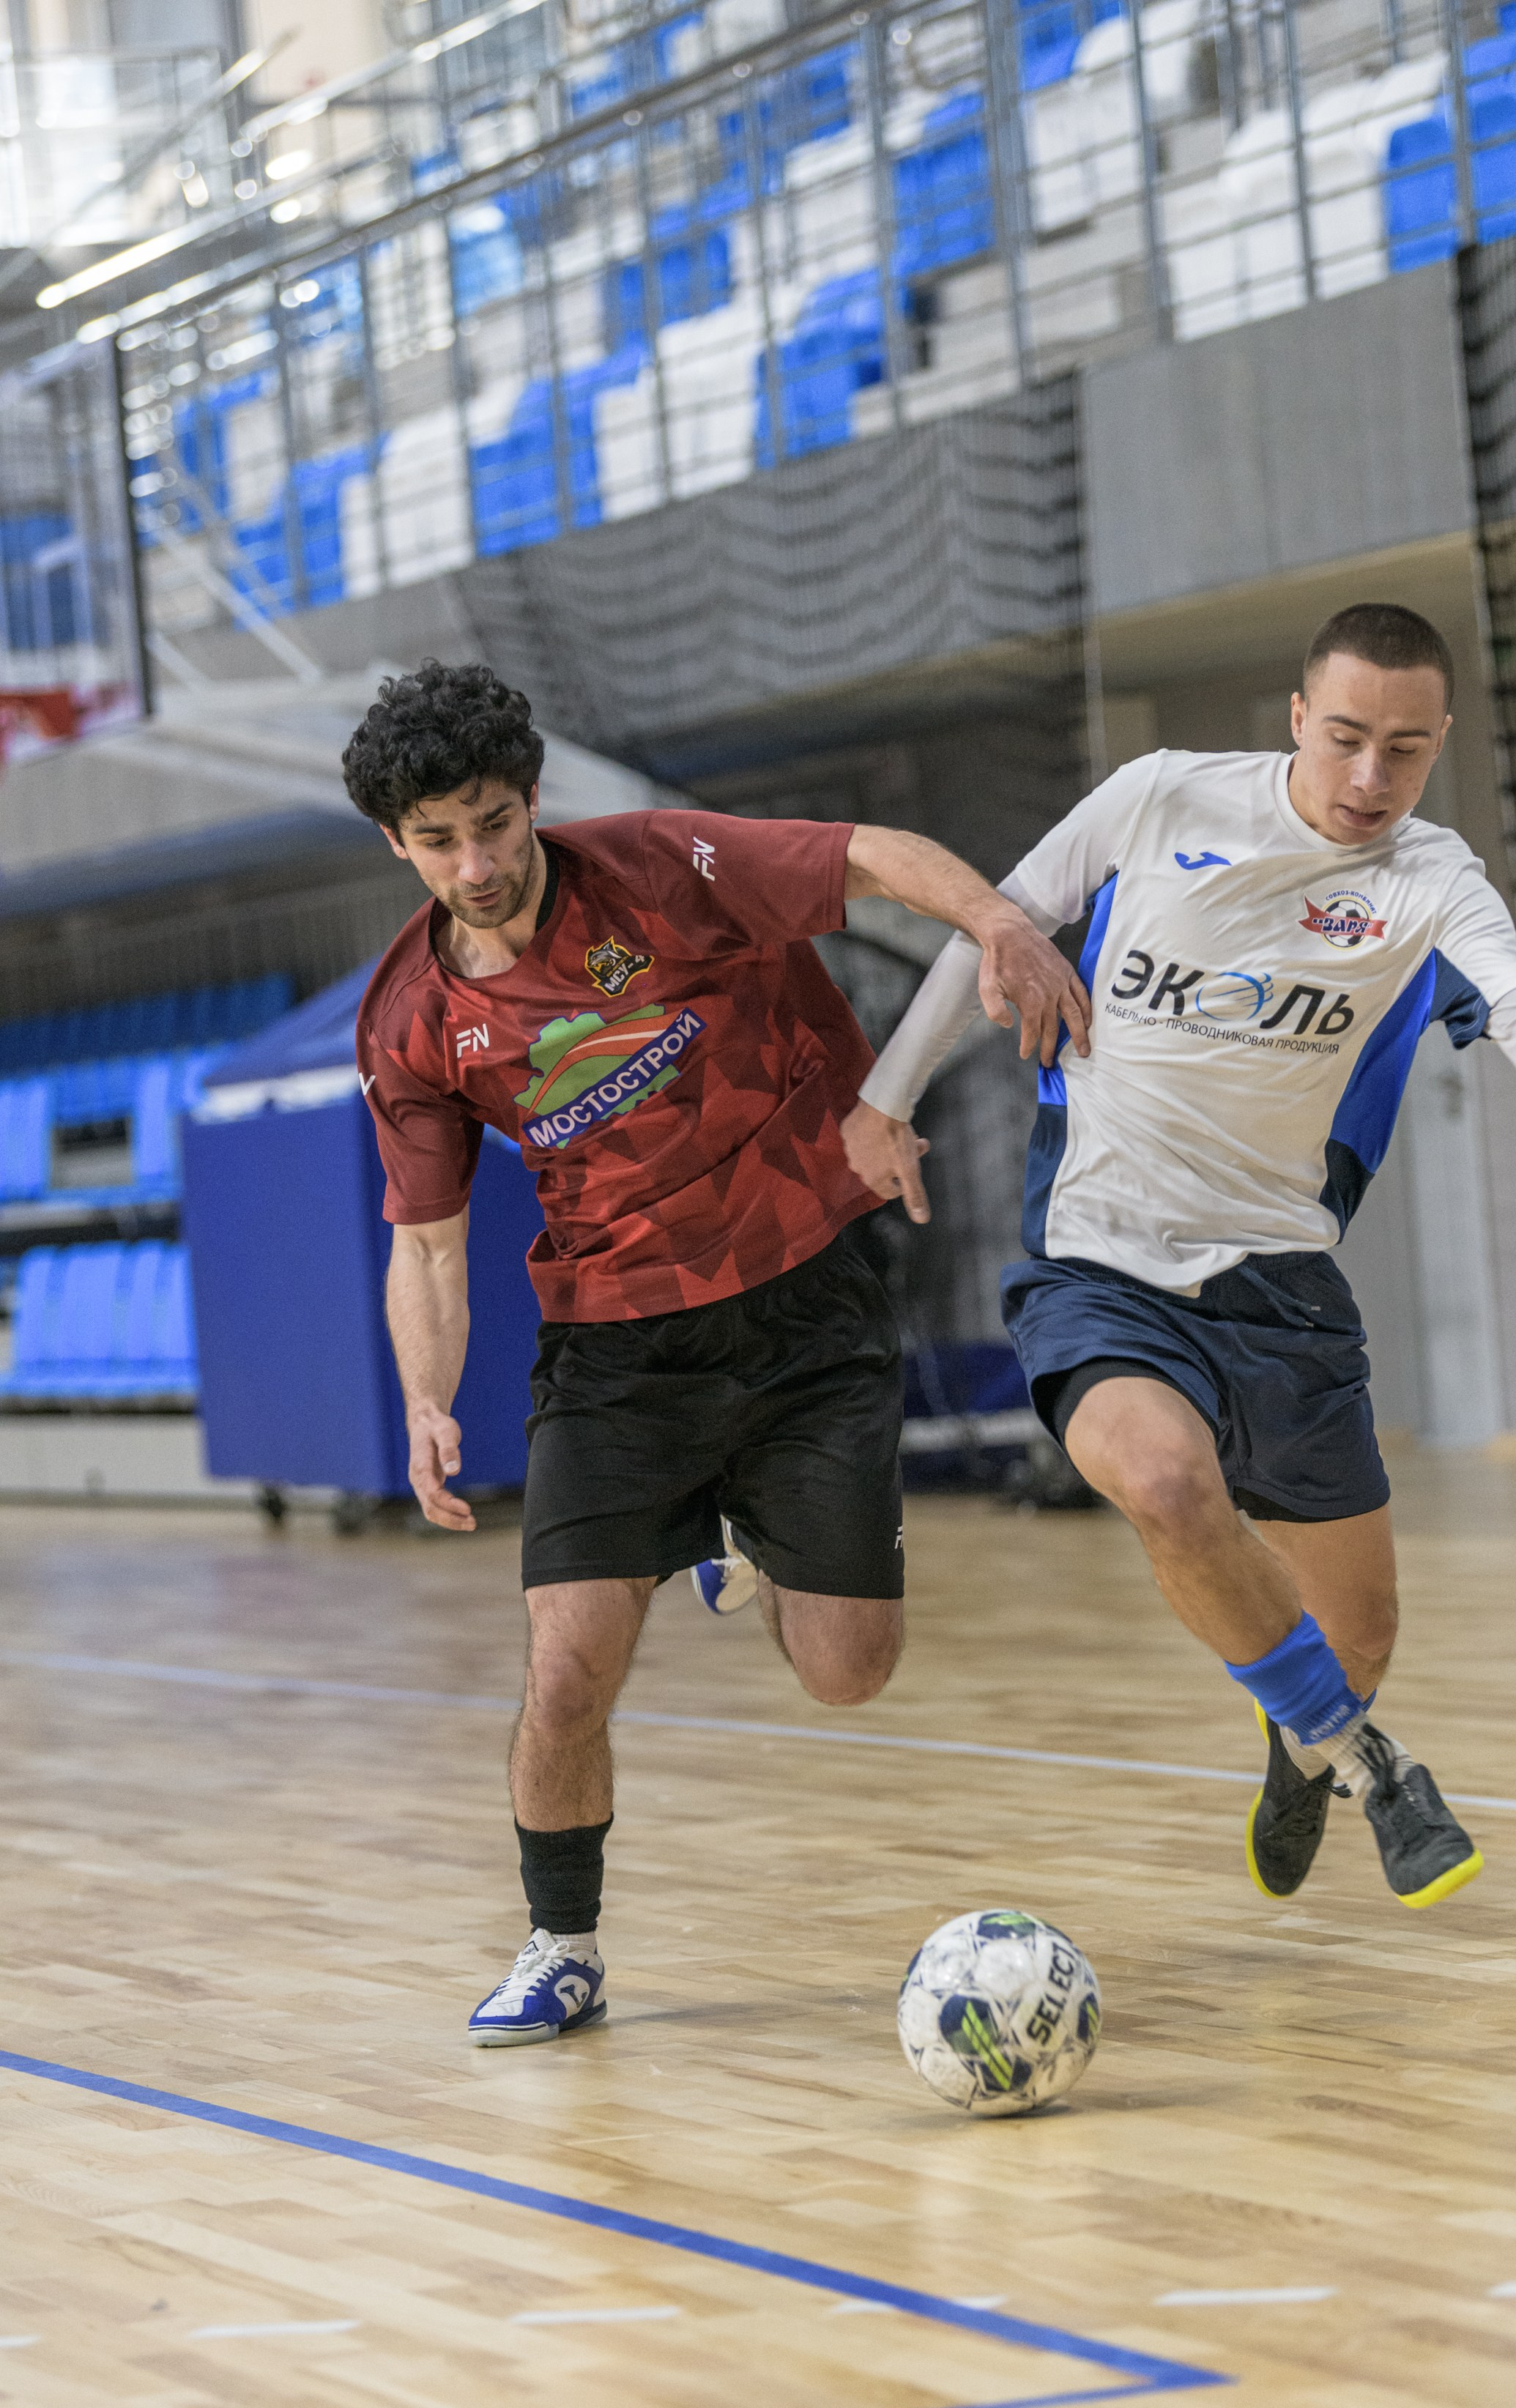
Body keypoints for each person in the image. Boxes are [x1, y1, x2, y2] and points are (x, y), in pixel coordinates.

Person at [841, 603, 1516, 1909]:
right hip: (1099, 1265)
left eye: (1404, 752)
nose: (1371, 779)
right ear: (1298, 718)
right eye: (1347, 737)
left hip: (1278, 1291)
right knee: (1167, 1487)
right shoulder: (1158, 799)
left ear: (1439, 744)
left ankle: (1303, 1737)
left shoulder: (1433, 880)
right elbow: (995, 939)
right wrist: (886, 1098)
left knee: (1356, 1635)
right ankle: (1370, 1763)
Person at [344, 660, 1088, 2043]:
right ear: (397, 844)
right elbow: (429, 1243)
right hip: (615, 1350)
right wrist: (426, 1402)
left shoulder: (659, 867)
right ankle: (562, 1942)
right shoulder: (409, 1022)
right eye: (440, 839)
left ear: (532, 802)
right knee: (566, 1669)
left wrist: (997, 924)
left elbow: (873, 859)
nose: (477, 861)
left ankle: (740, 1540)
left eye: (495, 823)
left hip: (805, 1296)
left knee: (849, 1671)